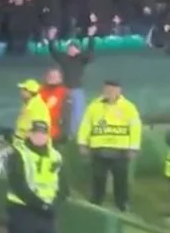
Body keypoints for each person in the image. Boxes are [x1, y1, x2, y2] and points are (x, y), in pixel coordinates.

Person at [5, 120, 65, 233]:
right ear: (30, 134)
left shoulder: (56, 156)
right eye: (36, 133)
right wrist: (42, 205)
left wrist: (54, 205)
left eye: (43, 134)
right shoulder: (19, 154)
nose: (39, 137)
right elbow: (19, 185)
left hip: (47, 216)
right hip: (23, 212)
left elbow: (64, 187)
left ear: (48, 136)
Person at [77, 80, 142, 212]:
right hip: (99, 149)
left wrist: (134, 148)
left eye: (112, 90)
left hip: (120, 150)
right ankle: (96, 202)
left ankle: (122, 203)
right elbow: (86, 125)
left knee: (120, 178)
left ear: (119, 91)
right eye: (106, 90)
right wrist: (82, 143)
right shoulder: (94, 106)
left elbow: (135, 128)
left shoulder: (128, 107)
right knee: (98, 177)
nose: (109, 93)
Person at [49, 37, 95, 138]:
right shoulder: (64, 59)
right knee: (63, 113)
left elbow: (90, 52)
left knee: (78, 114)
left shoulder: (81, 59)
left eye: (74, 48)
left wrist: (91, 37)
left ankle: (76, 135)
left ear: (78, 50)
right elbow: (53, 52)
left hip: (77, 90)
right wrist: (51, 39)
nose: (71, 49)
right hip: (64, 90)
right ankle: (63, 134)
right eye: (69, 48)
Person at [13, 79, 52, 146]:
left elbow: (40, 131)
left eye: (24, 90)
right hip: (21, 144)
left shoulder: (38, 107)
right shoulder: (28, 104)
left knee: (0, 156)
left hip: (32, 147)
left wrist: (26, 137)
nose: (21, 92)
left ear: (30, 92)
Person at [39, 69, 68, 142]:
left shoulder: (62, 91)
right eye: (51, 77)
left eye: (54, 77)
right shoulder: (41, 90)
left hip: (54, 130)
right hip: (41, 127)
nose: (52, 79)